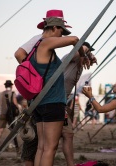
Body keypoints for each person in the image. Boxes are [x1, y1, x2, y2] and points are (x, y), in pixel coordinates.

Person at [14, 9, 97, 166]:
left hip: (39, 103)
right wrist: (84, 55)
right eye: (61, 30)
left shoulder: (34, 48)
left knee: (42, 147)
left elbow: (19, 55)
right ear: (53, 28)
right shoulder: (45, 43)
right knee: (50, 148)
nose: (62, 34)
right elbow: (76, 40)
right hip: (53, 102)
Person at [0, 80, 20, 154]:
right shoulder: (12, 93)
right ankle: (13, 145)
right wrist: (18, 108)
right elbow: (15, 102)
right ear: (11, 86)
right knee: (12, 130)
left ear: (5, 86)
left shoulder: (0, 94)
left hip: (2, 113)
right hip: (10, 114)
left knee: (0, 129)